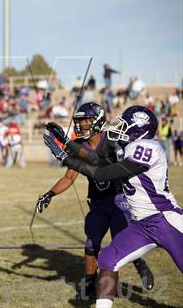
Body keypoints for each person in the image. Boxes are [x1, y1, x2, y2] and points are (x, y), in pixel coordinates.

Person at [44, 106, 183, 308]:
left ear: (139, 129)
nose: (120, 128)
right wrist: (67, 144)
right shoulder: (127, 147)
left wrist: (65, 158)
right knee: (108, 259)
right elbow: (95, 159)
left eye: (125, 125)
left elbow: (101, 173)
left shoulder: (148, 147)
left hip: (165, 219)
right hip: (142, 225)